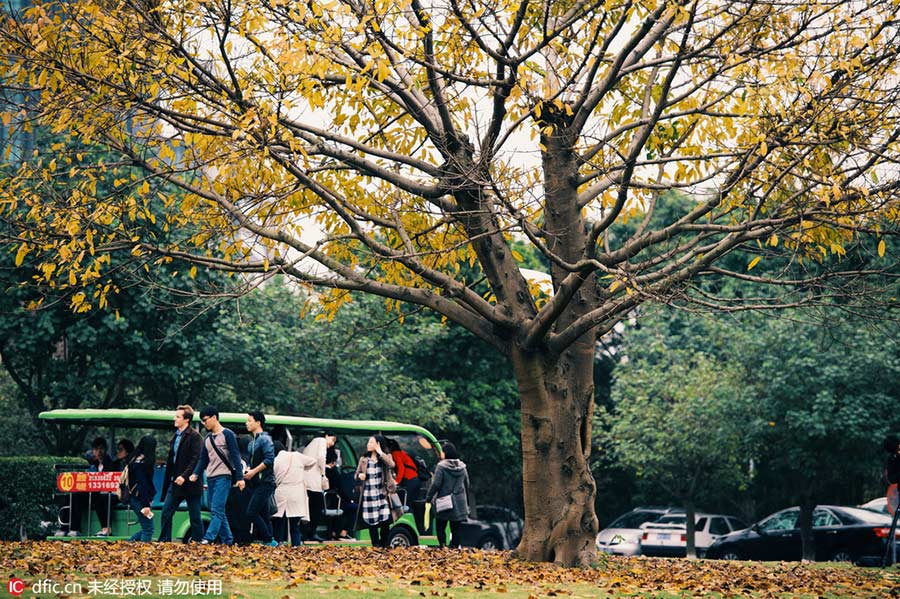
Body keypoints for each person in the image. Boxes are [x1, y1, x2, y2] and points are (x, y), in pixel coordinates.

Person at [189, 406, 245, 545]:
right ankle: (228, 540)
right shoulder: (207, 438)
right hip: (211, 477)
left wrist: (239, 478)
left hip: (224, 477)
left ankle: (209, 537)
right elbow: (203, 459)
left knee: (217, 509)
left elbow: (235, 456)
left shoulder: (228, 434)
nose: (204, 423)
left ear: (214, 417)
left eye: (205, 420)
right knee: (218, 511)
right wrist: (196, 473)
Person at [158, 405, 204, 543]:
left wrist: (184, 476)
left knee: (195, 516)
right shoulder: (175, 436)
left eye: (178, 417)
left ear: (186, 420)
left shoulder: (195, 436)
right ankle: (164, 541)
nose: (175, 419)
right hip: (176, 483)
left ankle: (198, 542)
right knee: (166, 512)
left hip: (191, 483)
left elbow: (196, 459)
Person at [58, 437, 116, 537]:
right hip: (94, 493)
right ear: (93, 451)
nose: (99, 452)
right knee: (73, 496)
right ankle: (71, 529)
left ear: (105, 449)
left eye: (101, 448)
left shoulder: (112, 463)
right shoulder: (94, 465)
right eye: (96, 449)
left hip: (109, 494)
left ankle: (106, 528)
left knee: (99, 497)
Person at [272, 440, 318, 546]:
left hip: (281, 492)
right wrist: (303, 469)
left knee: (279, 521)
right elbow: (313, 461)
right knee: (294, 524)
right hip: (296, 492)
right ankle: (296, 545)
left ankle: (279, 543)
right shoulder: (296, 456)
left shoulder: (275, 460)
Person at [425, 441, 470, 549]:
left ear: (445, 453)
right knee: (456, 528)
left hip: (444, 501)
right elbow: (467, 483)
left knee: (440, 526)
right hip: (459, 502)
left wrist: (429, 497)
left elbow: (436, 484)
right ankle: (454, 549)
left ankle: (443, 547)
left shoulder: (441, 466)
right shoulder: (462, 467)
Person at [354, 434, 396, 547]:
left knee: (385, 521)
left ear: (378, 444)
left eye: (371, 442)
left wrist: (380, 452)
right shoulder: (363, 459)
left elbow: (392, 465)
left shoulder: (385, 457)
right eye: (368, 442)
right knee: (371, 523)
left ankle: (384, 546)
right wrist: (360, 476)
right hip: (368, 495)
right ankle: (376, 546)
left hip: (382, 495)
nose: (368, 444)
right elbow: (356, 475)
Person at [244, 411, 277, 547]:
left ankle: (269, 540)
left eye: (250, 421)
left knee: (251, 513)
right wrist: (248, 470)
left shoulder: (265, 439)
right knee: (263, 515)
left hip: (265, 482)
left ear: (258, 423)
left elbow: (269, 460)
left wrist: (253, 472)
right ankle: (271, 542)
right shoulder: (252, 442)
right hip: (257, 482)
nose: (247, 423)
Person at [302, 432, 336, 542]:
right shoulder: (321, 441)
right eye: (332, 440)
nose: (332, 443)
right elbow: (321, 457)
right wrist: (323, 472)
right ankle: (312, 532)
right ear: (326, 436)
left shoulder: (310, 444)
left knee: (308, 508)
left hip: (305, 481)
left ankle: (305, 533)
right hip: (314, 482)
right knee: (318, 507)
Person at [385, 437, 423, 530]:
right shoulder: (402, 453)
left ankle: (412, 526)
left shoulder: (396, 454)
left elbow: (401, 468)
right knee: (410, 502)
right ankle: (418, 526)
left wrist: (396, 481)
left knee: (406, 503)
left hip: (411, 479)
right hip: (415, 480)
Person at [126, 435, 157, 542]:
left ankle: (129, 544)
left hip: (134, 498)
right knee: (148, 529)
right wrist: (146, 505)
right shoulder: (143, 464)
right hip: (140, 499)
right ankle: (141, 552)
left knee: (146, 528)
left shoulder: (134, 459)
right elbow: (142, 485)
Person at [325, 445, 356, 540]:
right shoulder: (334, 473)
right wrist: (349, 499)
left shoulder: (321, 471)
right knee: (354, 507)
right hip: (336, 501)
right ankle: (344, 532)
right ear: (334, 461)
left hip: (326, 501)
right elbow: (340, 489)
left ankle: (334, 532)